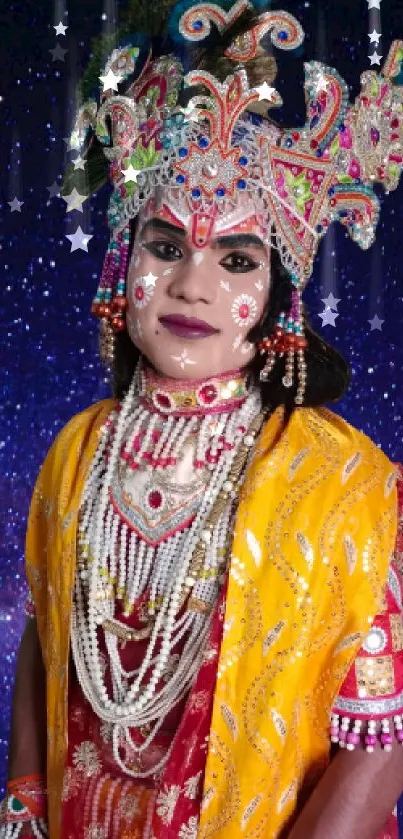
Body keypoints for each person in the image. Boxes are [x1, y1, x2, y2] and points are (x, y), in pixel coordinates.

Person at [2, 2, 403, 838]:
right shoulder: (80, 449)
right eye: (164, 245)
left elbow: (375, 740)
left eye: (235, 259)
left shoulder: (344, 479)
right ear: (123, 261)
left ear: (278, 295)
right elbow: (47, 641)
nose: (193, 285)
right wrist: (22, 805)